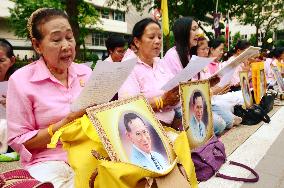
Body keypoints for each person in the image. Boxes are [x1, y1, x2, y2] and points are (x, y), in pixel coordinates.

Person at [7, 8, 92, 187]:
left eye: (69, 37)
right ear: (37, 45)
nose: (66, 46)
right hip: (49, 162)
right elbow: (18, 141)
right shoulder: (21, 80)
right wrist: (64, 124)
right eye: (56, 40)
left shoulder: (86, 73)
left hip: (91, 153)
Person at [118, 18, 180, 126]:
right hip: (147, 126)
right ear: (137, 42)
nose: (157, 41)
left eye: (159, 37)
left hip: (174, 118)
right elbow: (129, 105)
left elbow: (175, 92)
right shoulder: (128, 67)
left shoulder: (161, 63)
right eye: (151, 37)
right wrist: (161, 101)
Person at [0, 38, 19, 161]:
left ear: (12, 60)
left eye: (1, 60)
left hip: (13, 138)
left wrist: (14, 106)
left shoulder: (21, 83)